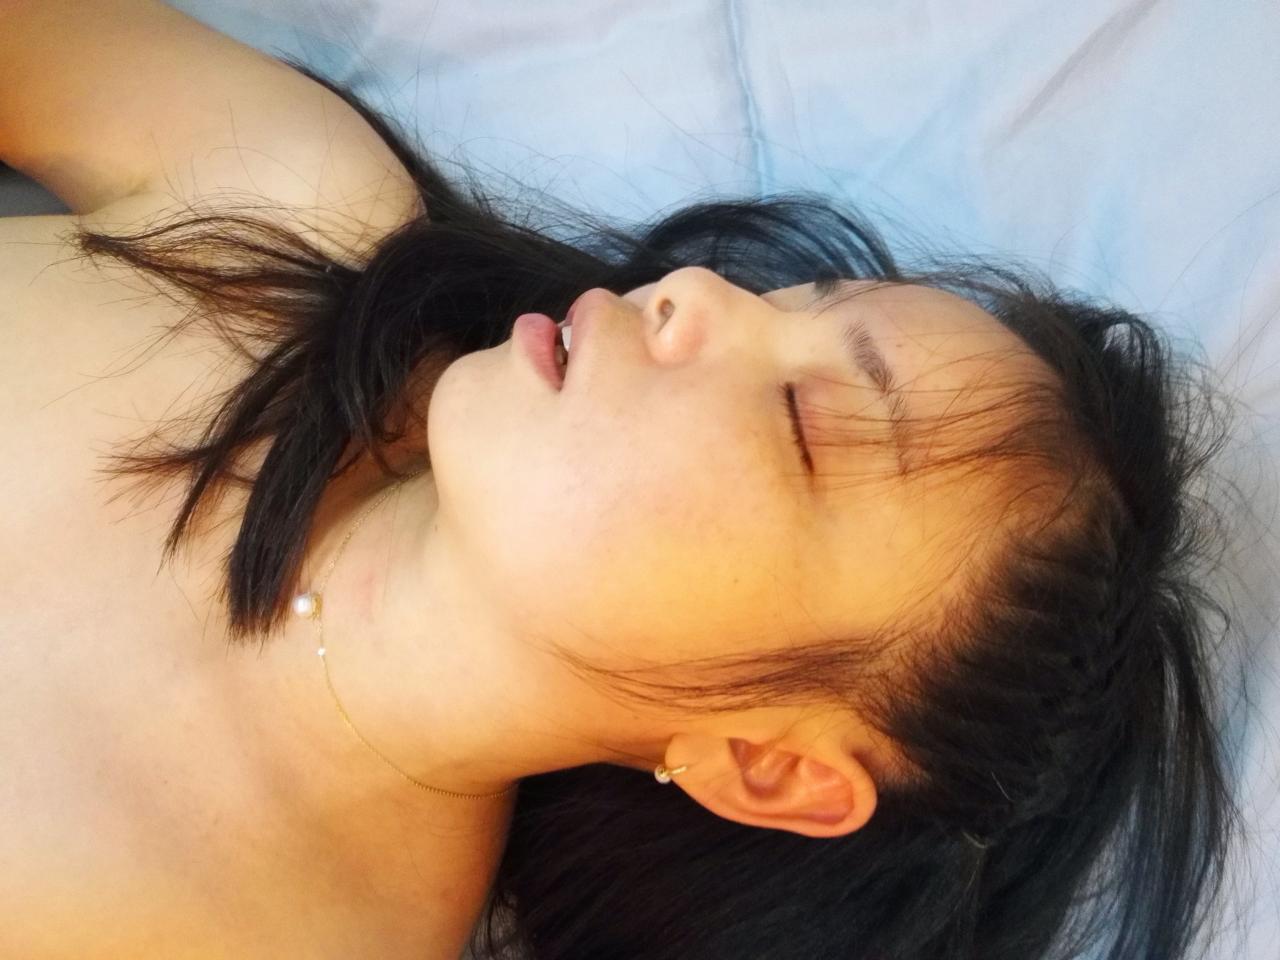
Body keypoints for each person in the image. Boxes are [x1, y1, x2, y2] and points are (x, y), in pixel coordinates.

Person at [1, 9, 1243, 960]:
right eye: (784, 299)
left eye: (802, 422)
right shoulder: (289, 213)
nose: (694, 295)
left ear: (766, 766)